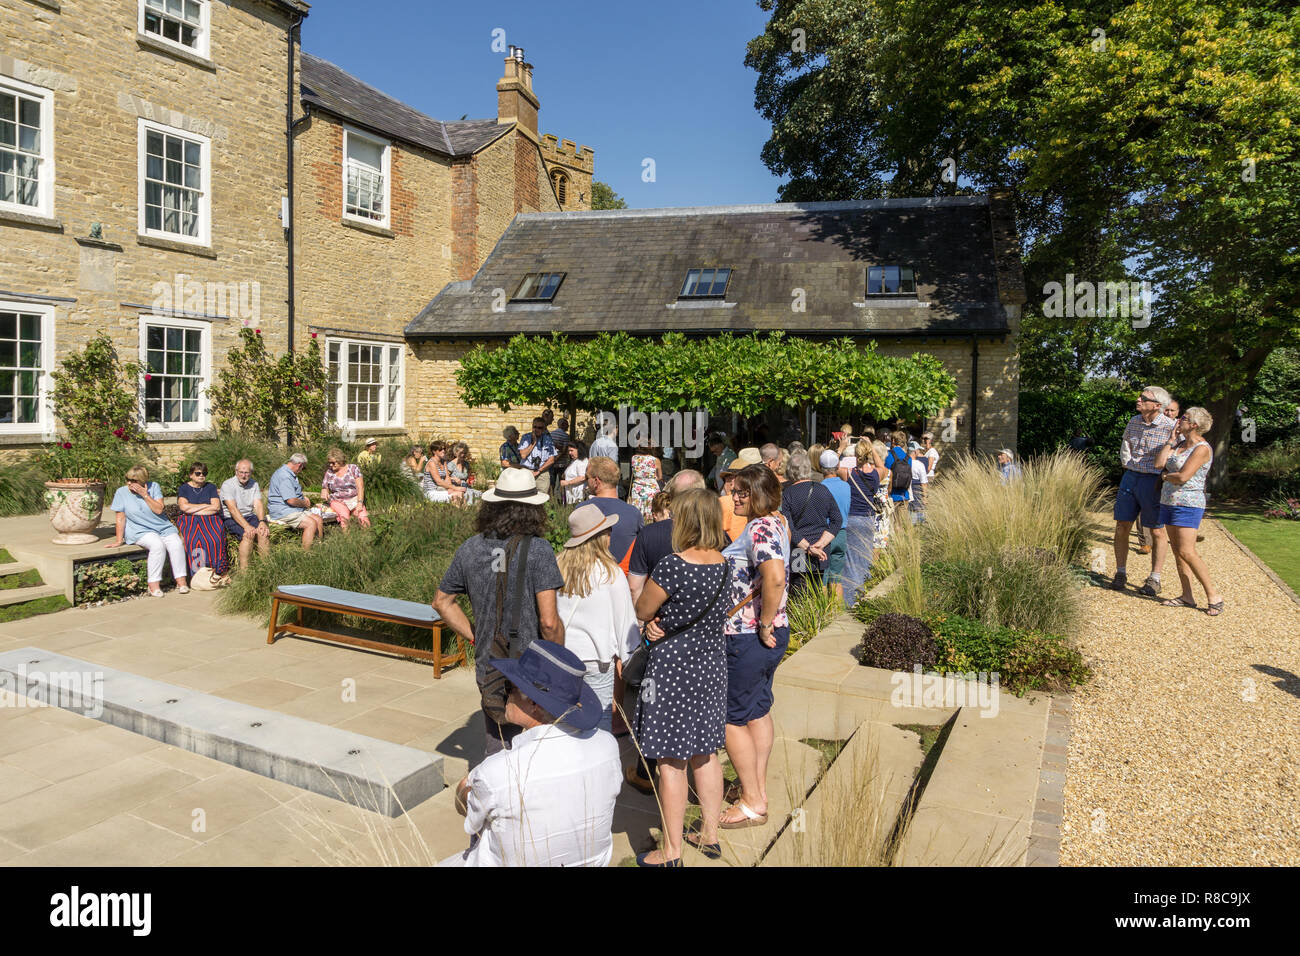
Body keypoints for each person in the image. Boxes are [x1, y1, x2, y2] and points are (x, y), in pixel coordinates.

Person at [443, 640, 620, 867]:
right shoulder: (607, 747)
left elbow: (470, 816)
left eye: (510, 687)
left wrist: (464, 789)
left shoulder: (499, 772)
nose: (504, 694)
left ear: (534, 703)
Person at [433, 469, 566, 756]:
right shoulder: (539, 550)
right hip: (532, 665)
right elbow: (549, 622)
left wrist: (476, 636)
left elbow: (442, 602)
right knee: (536, 745)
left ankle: (492, 794)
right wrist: (558, 664)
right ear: (534, 509)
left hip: (490, 660)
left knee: (498, 738)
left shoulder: (470, 548)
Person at [633, 487, 731, 865]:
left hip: (673, 668)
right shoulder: (724, 563)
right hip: (710, 667)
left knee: (670, 762)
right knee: (706, 755)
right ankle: (709, 834)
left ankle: (671, 850)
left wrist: (654, 623)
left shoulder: (673, 565)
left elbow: (643, 608)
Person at [623, 469, 710, 793]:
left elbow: (635, 588)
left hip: (661, 637)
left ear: (670, 496)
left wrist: (645, 624)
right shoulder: (716, 537)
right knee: (699, 711)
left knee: (653, 707)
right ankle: (701, 778)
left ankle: (647, 774)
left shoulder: (652, 534)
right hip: (704, 642)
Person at [719, 464, 789, 830]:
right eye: (734, 490)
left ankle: (752, 801)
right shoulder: (775, 521)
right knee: (757, 710)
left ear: (760, 494)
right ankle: (756, 787)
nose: (735, 497)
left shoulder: (760, 526)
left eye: (743, 492)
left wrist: (762, 623)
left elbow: (774, 576)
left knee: (731, 719)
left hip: (749, 636)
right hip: (769, 633)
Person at [556, 504, 640, 732]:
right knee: (598, 727)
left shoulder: (558, 567)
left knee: (564, 724)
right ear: (599, 537)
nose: (611, 535)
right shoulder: (610, 573)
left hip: (562, 657)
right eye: (607, 531)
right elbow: (626, 624)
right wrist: (630, 657)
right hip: (597, 661)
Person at [1155, 407, 1223, 615]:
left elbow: (1183, 476)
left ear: (1194, 425)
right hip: (1168, 501)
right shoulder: (1179, 444)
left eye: (1184, 418)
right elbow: (1159, 464)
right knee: (1177, 552)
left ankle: (1214, 595)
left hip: (1188, 504)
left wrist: (1167, 477)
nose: (1179, 420)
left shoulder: (1202, 448)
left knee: (1187, 551)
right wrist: (1170, 440)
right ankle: (1187, 596)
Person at [1111, 386, 1176, 596]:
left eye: (1144, 398)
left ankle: (1155, 578)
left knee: (1157, 530)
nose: (1139, 400)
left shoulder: (1170, 427)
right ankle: (1120, 573)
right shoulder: (1133, 422)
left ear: (1157, 406)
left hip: (1154, 481)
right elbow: (1126, 445)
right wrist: (1127, 463)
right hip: (1131, 477)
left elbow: (1177, 455)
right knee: (1122, 525)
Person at [105, 465, 188, 596]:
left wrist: (145, 495)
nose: (129, 483)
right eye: (128, 479)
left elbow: (159, 509)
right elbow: (120, 517)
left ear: (143, 481)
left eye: (133, 481)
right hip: (139, 529)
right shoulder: (121, 492)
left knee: (176, 544)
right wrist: (119, 540)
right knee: (157, 545)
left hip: (162, 526)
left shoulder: (154, 487)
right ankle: (153, 584)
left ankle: (181, 581)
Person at [781, 451, 842, 595]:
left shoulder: (788, 493)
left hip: (798, 549)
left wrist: (808, 547)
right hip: (821, 551)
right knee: (816, 590)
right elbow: (836, 520)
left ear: (790, 471)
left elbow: (788, 526)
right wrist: (821, 543)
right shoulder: (823, 490)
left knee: (798, 592)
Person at [842, 443, 886, 606]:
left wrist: (842, 448)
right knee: (864, 559)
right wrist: (872, 448)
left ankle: (849, 601)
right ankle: (862, 597)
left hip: (851, 519)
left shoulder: (848, 473)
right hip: (868, 520)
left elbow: (832, 466)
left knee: (850, 562)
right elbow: (882, 465)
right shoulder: (876, 474)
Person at [584, 456, 644, 568]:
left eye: (586, 477)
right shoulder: (634, 513)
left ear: (596, 481)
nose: (585, 480)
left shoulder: (582, 510)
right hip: (624, 579)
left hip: (589, 576)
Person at [175, 460, 229, 581]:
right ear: (191, 475)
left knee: (214, 539)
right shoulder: (184, 488)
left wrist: (193, 508)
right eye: (198, 473)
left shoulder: (210, 487)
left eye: (204, 473)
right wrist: (205, 505)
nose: (201, 476)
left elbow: (216, 507)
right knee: (194, 540)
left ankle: (217, 572)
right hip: (190, 520)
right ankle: (198, 575)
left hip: (210, 519)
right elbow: (184, 507)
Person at [267, 453, 324, 549]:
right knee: (311, 523)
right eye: (303, 468)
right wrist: (304, 503)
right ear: (299, 465)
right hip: (283, 511)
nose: (302, 471)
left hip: (293, 509)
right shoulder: (285, 476)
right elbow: (291, 500)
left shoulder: (288, 473)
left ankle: (319, 546)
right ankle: (306, 553)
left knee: (318, 519)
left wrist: (302, 498)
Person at [221, 459, 270, 569]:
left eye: (246, 472)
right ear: (236, 471)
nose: (243, 475)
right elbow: (232, 509)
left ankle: (265, 568)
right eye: (241, 472)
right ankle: (245, 572)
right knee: (248, 535)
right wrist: (247, 527)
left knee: (263, 532)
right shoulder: (228, 485)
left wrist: (262, 522)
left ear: (251, 472)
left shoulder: (254, 484)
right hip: (231, 518)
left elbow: (258, 504)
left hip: (249, 515)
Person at [817, 450, 851, 599]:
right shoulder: (846, 486)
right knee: (836, 578)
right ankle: (837, 613)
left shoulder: (819, 488)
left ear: (820, 467)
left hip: (825, 534)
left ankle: (824, 614)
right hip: (841, 533)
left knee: (822, 580)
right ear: (837, 466)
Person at [321, 448, 371, 530]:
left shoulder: (353, 468)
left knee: (362, 516)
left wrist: (359, 503)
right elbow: (324, 487)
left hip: (354, 499)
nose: (331, 465)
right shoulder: (329, 472)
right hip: (338, 500)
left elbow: (360, 487)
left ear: (340, 461)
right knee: (344, 515)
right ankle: (347, 538)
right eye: (329, 463)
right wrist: (324, 491)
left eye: (333, 463)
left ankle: (369, 536)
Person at [517, 416, 557, 495]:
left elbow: (551, 459)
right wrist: (533, 443)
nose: (536, 429)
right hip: (526, 471)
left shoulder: (548, 439)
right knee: (524, 495)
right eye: (535, 427)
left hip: (542, 472)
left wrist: (539, 471)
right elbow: (523, 455)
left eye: (539, 427)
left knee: (542, 498)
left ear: (544, 429)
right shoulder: (525, 438)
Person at [628, 439, 661, 521]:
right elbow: (659, 477)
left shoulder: (634, 458)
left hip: (637, 489)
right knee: (651, 512)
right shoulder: (655, 460)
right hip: (651, 490)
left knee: (637, 511)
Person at [883, 431, 914, 505]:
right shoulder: (908, 458)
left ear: (893, 440)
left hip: (891, 497)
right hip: (904, 496)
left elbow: (884, 474)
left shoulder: (888, 455)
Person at [560, 439, 590, 505]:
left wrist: (568, 482)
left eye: (572, 450)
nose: (569, 453)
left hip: (578, 496)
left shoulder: (582, 462)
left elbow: (583, 477)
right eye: (569, 451)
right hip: (572, 495)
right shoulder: (575, 461)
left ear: (579, 450)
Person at [549, 417, 571, 500]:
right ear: (562, 425)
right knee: (562, 483)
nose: (568, 427)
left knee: (552, 483)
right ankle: (563, 500)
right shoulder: (565, 436)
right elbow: (564, 451)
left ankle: (551, 500)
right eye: (567, 425)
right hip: (562, 464)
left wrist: (553, 460)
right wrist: (557, 458)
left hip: (552, 463)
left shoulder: (551, 434)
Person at [908, 440, 929, 520]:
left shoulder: (903, 462)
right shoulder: (919, 465)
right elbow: (924, 483)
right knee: (918, 516)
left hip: (906, 490)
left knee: (908, 515)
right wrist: (925, 498)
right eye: (918, 450)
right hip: (917, 491)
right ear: (915, 451)